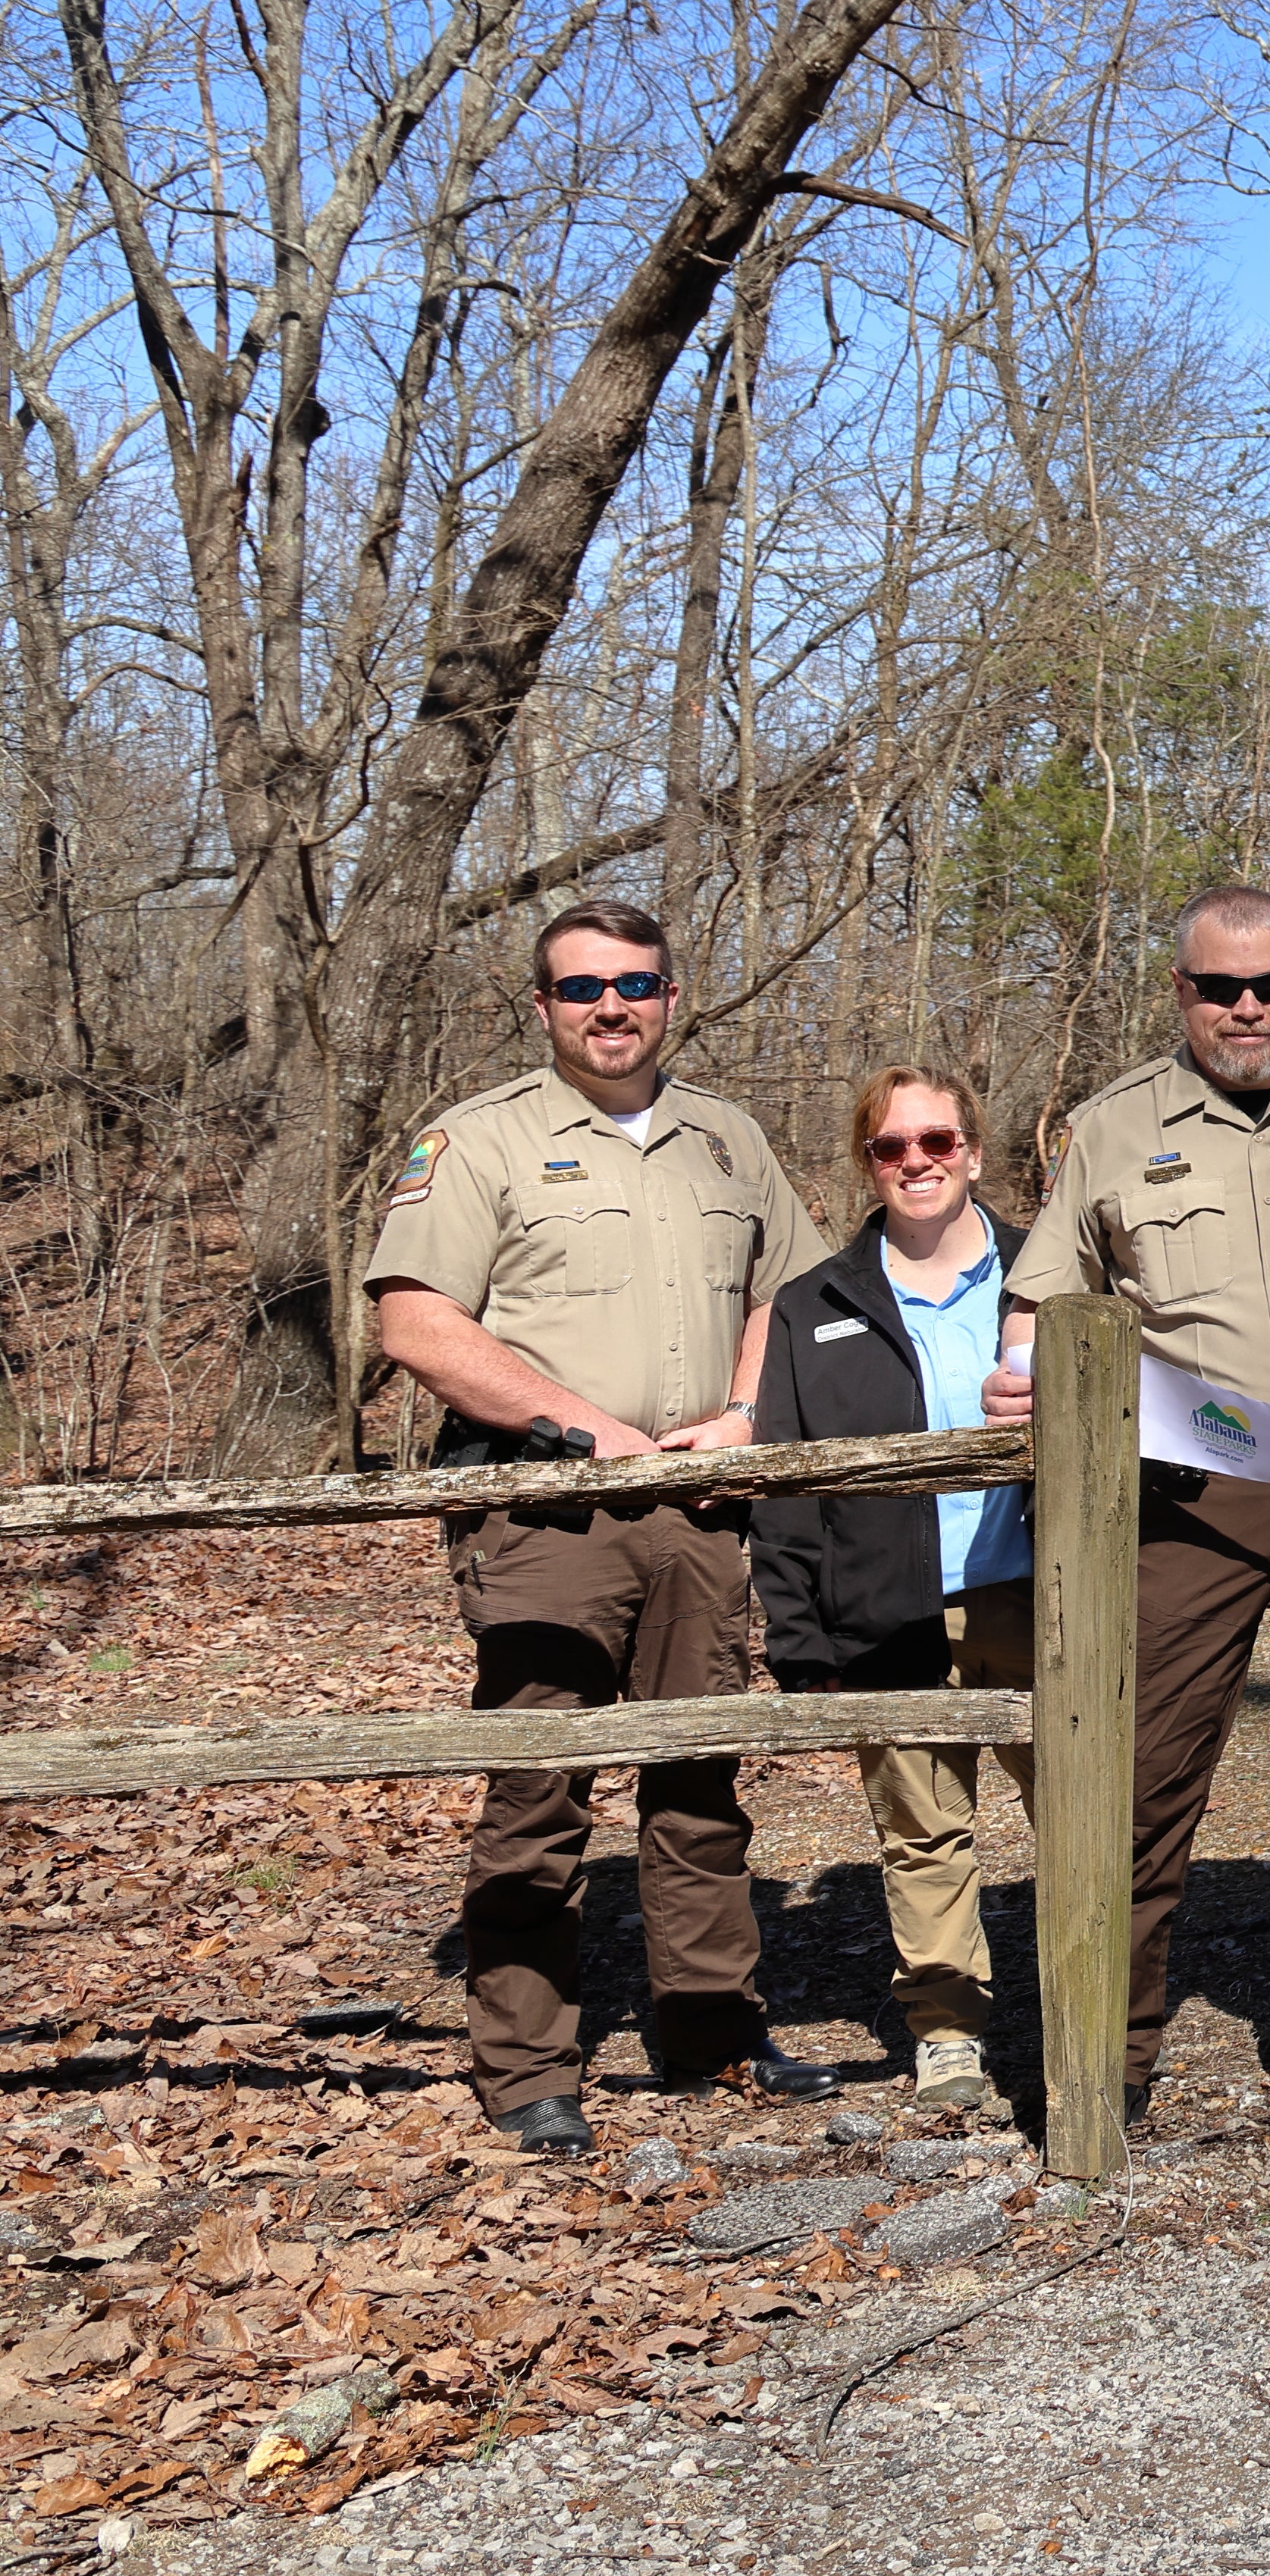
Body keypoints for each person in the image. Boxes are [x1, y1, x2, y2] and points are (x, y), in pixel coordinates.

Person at [365, 898, 837, 2151]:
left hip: (699, 1509)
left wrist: (746, 1412)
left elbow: (789, 1291)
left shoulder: (727, 1141)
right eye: (583, 989)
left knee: (699, 1783)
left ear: (673, 994)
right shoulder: (480, 1143)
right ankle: (527, 2066)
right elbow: (415, 1322)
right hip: (543, 1514)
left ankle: (713, 2038)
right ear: (543, 1008)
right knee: (539, 1788)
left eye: (636, 983)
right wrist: (585, 1432)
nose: (612, 1007)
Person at [989, 888, 1270, 2133]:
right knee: (1141, 1777)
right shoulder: (1114, 1128)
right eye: (1219, 987)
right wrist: (1023, 1373)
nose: (1246, 1009)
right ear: (1178, 991)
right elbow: (1043, 1308)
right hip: (1186, 1498)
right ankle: (1108, 2043)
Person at [752, 1066, 1037, 2117]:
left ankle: (1095, 2000)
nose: (916, 1162)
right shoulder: (816, 1304)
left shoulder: (1042, 1278)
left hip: (1036, 1592)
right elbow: (786, 1484)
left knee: (1083, 1807)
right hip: (889, 1604)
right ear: (866, 1162)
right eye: (890, 1148)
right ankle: (948, 2027)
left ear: (974, 1150)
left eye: (937, 1142)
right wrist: (799, 1636)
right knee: (922, 1829)